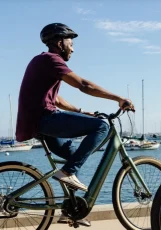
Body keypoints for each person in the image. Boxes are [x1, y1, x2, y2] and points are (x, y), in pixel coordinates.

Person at [16, 23, 134, 226]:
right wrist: (119, 98)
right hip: (44, 120)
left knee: (73, 155)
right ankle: (69, 172)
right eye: (71, 43)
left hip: (38, 121)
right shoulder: (51, 60)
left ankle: (70, 210)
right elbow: (84, 85)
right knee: (101, 126)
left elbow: (56, 99)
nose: (73, 48)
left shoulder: (42, 62)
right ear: (60, 43)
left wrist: (79, 111)